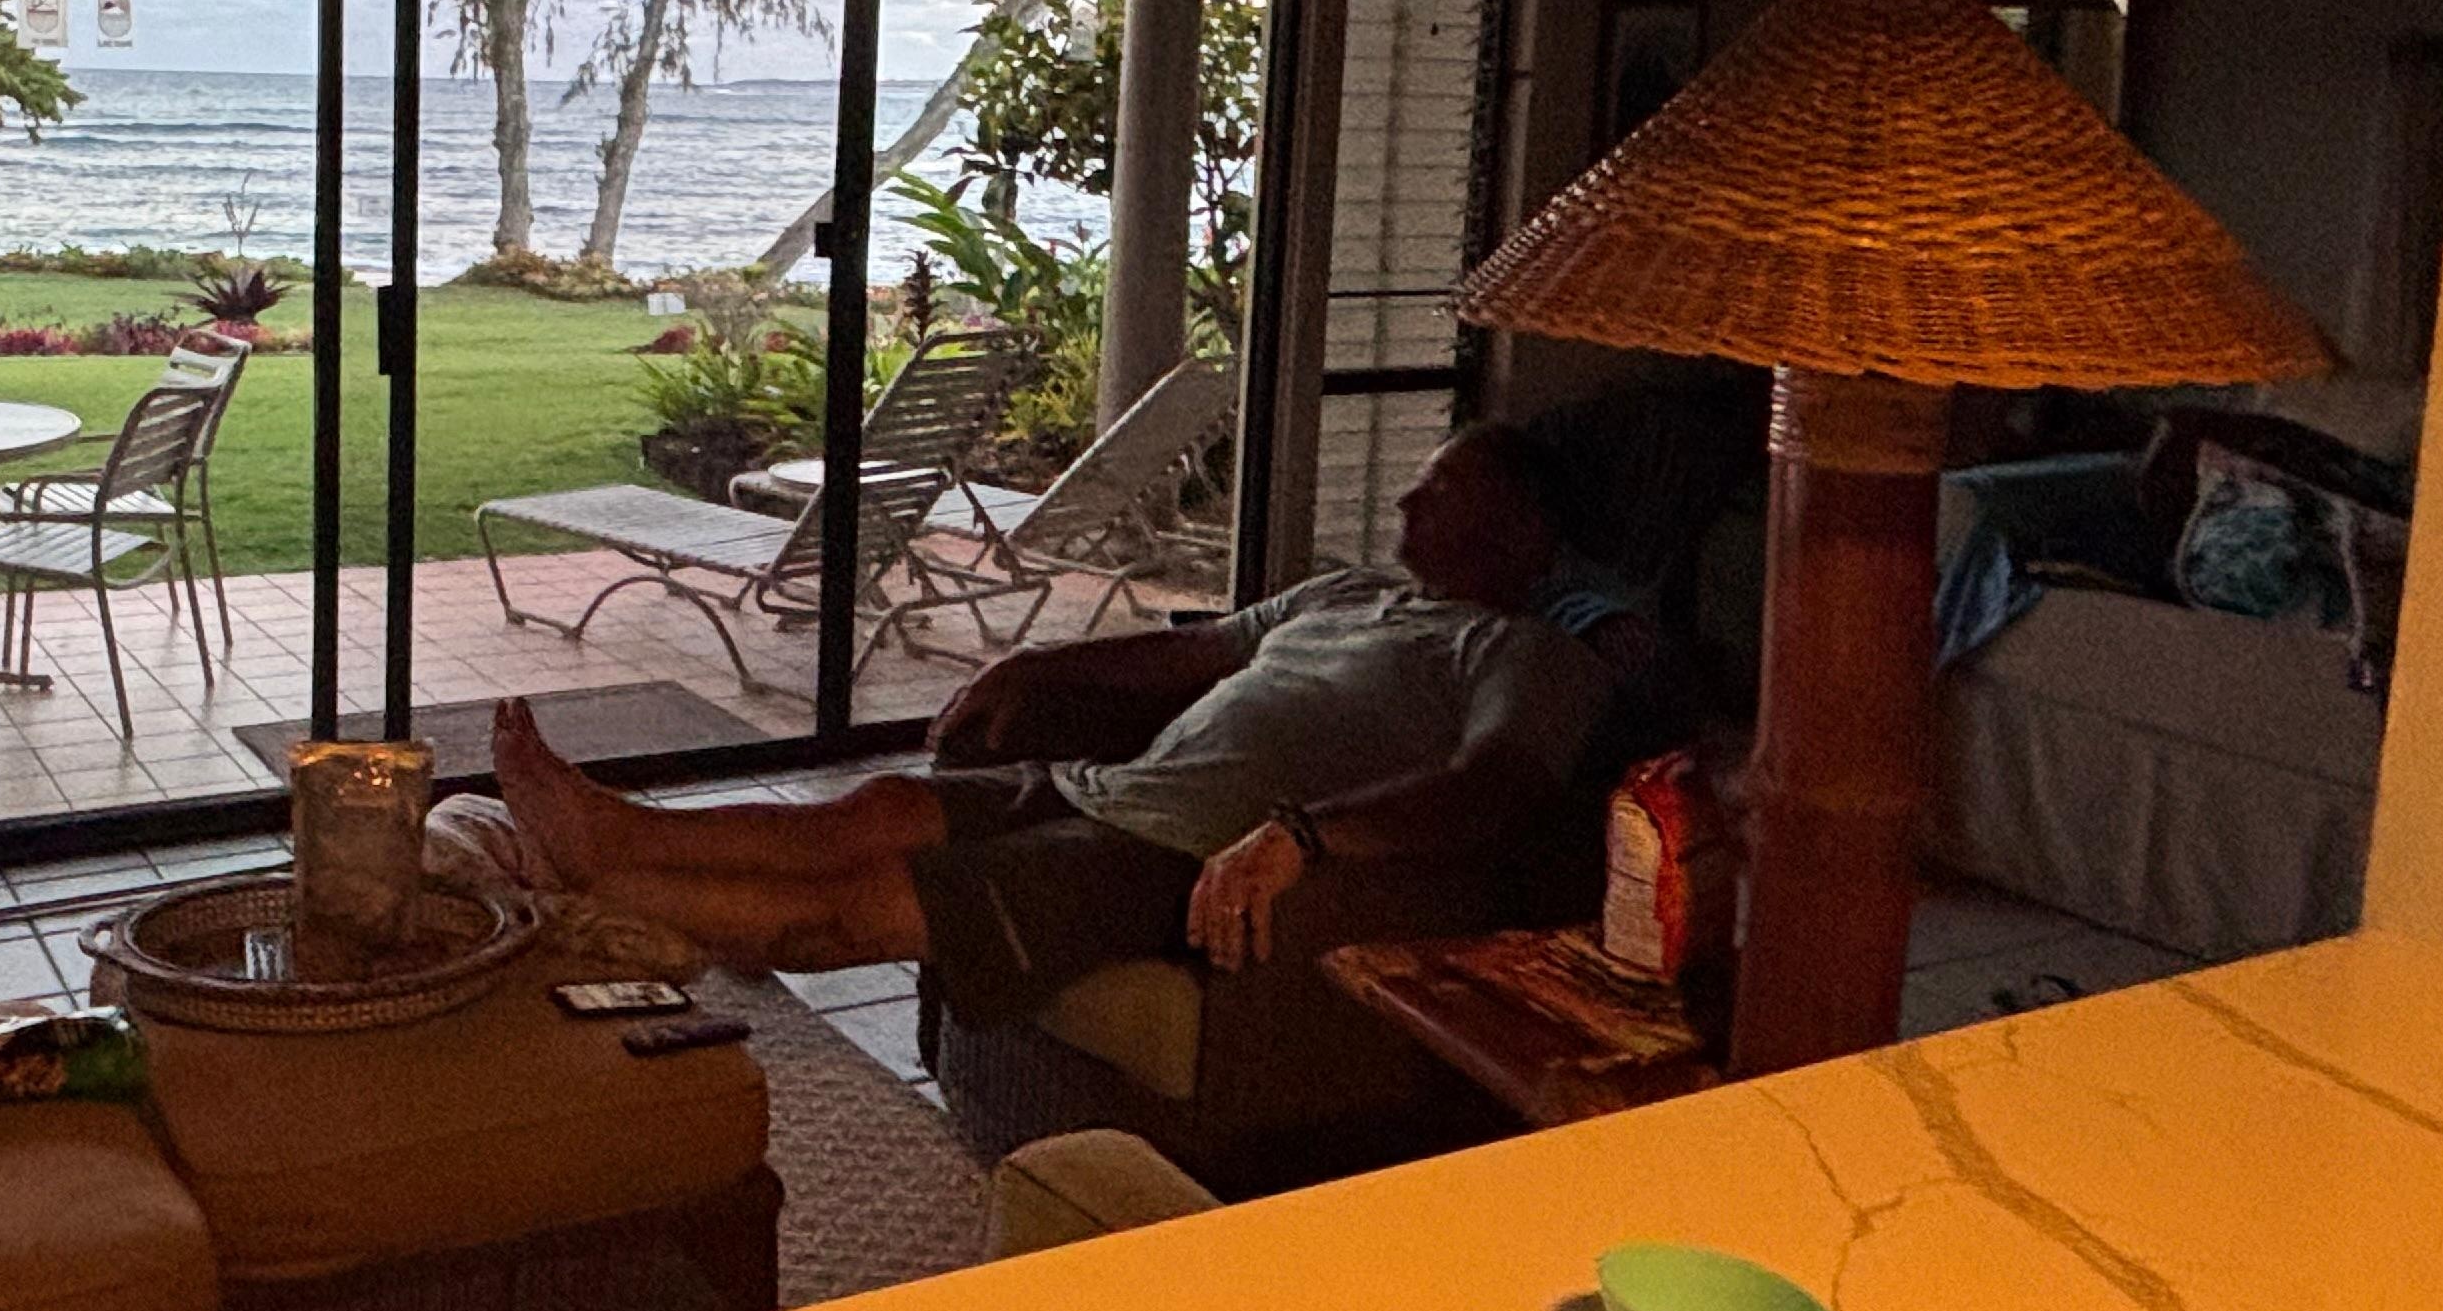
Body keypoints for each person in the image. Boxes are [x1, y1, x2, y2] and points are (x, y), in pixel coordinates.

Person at [489, 425, 1616, 1020]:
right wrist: (1032, 656)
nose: (1411, 506)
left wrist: (1303, 837)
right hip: (1112, 786)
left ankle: (573, 888)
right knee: (873, 808)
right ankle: (611, 827)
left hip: (1186, 853)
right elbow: (1192, 649)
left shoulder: (1528, 653)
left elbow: (1496, 786)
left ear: (1519, 532)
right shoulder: (1352, 592)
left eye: (1444, 493)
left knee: (851, 915)